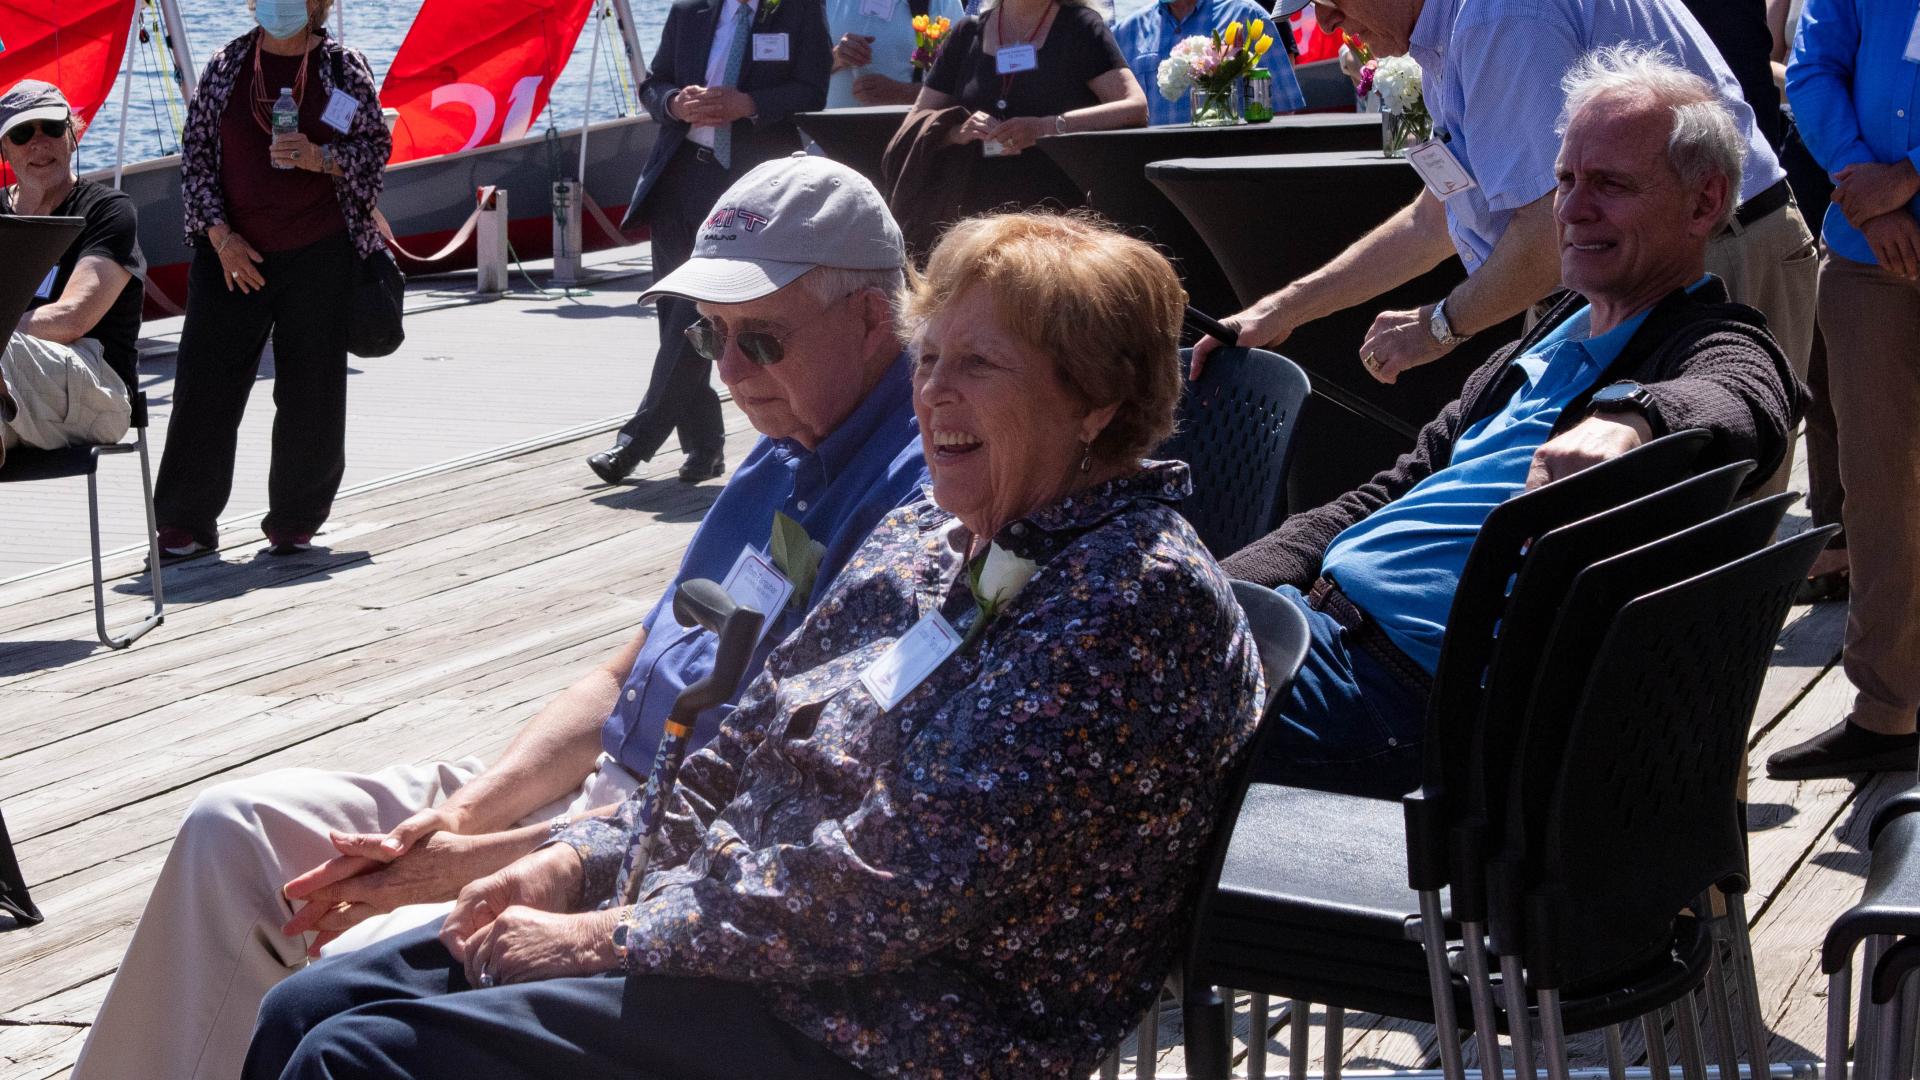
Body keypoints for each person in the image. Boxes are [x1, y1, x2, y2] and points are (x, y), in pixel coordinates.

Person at [241, 211, 1263, 1080]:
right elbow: (742, 753)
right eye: (930, 357)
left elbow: (893, 881)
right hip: (750, 954)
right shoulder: (934, 539)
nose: (934, 393)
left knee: (361, 1060)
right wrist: (576, 865)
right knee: (308, 1008)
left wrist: (604, 933)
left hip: (897, 1029)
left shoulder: (1128, 605)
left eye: (981, 364)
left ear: (1098, 402)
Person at [72, 155, 930, 1080]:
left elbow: (765, 808)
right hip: (592, 780)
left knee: (344, 1003)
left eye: (758, 340)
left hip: (666, 843)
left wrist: (474, 859)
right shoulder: (789, 434)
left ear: (871, 319)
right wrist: (458, 819)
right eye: (706, 337)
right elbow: (622, 674)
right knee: (229, 829)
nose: (727, 373)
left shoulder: (915, 498)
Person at [1216, 49, 1802, 798]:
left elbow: (1750, 397)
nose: (1571, 210)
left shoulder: (1706, 339)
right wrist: (1214, 587)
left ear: (1702, 204)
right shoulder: (1555, 329)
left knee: (1088, 720)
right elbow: (1389, 492)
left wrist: (1634, 418)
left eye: (1611, 185)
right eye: (1565, 181)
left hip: (1400, 700)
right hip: (1309, 633)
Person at [1196, 0, 1814, 502]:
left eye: (1328, 0)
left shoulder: (1498, 17)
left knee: (1689, 558)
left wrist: (1439, 326)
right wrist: (1281, 311)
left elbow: (1548, 235)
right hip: (1634, 271)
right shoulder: (1454, 27)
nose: (1324, 24)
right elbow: (1442, 210)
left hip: (1704, 257)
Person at [146, 0, 387, 559]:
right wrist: (220, 236)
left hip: (319, 253)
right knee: (205, 385)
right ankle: (186, 522)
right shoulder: (227, 64)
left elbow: (375, 150)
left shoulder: (342, 68)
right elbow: (197, 156)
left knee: (312, 389)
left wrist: (318, 158)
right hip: (233, 255)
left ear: (317, 4)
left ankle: (295, 519)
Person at [1765, 0, 1920, 778]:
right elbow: (1813, 71)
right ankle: (1888, 712)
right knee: (1877, 486)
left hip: (1884, 215)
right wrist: (1864, 183)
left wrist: (1911, 174)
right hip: (1866, 253)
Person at [586, 0, 832, 485]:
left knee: (695, 313)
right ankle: (704, 448)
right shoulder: (691, 10)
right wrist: (674, 103)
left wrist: (751, 104)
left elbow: (813, 89)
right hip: (679, 177)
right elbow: (653, 85)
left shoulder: (798, 10)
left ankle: (636, 441)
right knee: (674, 320)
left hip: (746, 183)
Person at [882, 0, 1146, 252]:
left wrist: (1048, 127)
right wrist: (956, 131)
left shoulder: (1081, 27)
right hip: (971, 221)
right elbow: (915, 123)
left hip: (1056, 221)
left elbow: (1134, 107)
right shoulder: (967, 33)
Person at [0, 81, 143, 472]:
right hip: (13, 398)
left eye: (52, 127)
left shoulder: (107, 211)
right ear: (4, 148)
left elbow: (73, 319)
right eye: (22, 133)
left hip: (94, 388)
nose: (39, 142)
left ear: (73, 135)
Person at [1112, 0, 1307, 126]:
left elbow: (1281, 112)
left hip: (1229, 168)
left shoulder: (1247, 15)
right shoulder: (1124, 32)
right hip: (1154, 173)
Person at [826, 0, 966, 107]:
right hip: (828, 137)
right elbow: (805, 69)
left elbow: (962, 86)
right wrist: (837, 57)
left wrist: (901, 93)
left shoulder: (943, 3)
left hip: (906, 138)